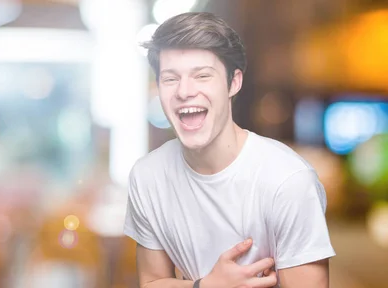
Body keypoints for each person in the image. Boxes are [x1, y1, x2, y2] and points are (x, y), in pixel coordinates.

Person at [124, 12, 335, 288]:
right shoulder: (147, 177)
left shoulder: (287, 180)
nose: (184, 91)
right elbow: (151, 282)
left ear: (234, 82)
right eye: (170, 79)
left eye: (202, 75)